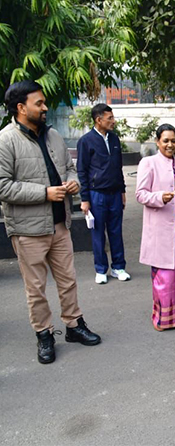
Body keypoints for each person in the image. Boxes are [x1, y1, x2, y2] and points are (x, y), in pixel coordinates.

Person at [0, 80, 101, 364]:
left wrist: (72, 182)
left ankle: (74, 325)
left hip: (60, 224)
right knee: (36, 288)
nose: (45, 107)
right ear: (21, 108)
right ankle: (44, 335)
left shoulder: (53, 135)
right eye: (39, 103)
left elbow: (71, 168)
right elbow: (2, 186)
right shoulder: (6, 140)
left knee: (68, 280)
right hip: (27, 230)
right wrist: (44, 193)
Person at [135, 124, 175, 331]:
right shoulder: (148, 163)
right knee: (165, 275)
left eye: (173, 141)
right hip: (161, 230)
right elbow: (140, 194)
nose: (170, 145)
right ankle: (163, 319)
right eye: (166, 141)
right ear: (157, 142)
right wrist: (159, 197)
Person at [77, 103, 130, 284]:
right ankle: (101, 269)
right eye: (110, 118)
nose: (113, 121)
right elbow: (82, 171)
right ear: (98, 120)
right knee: (98, 232)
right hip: (96, 194)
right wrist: (85, 199)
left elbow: (119, 167)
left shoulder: (114, 139)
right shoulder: (86, 141)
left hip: (115, 193)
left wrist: (122, 190)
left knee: (116, 231)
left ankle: (118, 267)